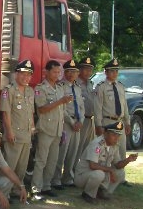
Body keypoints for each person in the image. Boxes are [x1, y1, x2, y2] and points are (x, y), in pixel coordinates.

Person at [30, 59, 73, 201]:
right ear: (46, 72)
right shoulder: (40, 88)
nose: (57, 74)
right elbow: (41, 109)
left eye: (59, 72)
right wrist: (60, 101)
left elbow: (62, 111)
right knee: (41, 160)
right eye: (54, 71)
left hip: (57, 130)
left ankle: (46, 186)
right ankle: (35, 188)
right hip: (45, 129)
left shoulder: (60, 88)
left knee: (53, 160)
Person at [74, 122, 139, 203]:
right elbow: (92, 165)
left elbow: (118, 165)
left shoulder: (114, 145)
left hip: (96, 174)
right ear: (105, 134)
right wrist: (110, 170)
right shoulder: (97, 144)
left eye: (118, 135)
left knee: (120, 173)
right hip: (82, 176)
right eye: (114, 135)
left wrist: (128, 160)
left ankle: (102, 192)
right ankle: (88, 194)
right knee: (99, 174)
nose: (116, 138)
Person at [0, 59, 36, 196]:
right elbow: (6, 112)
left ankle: (17, 190)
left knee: (22, 166)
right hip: (14, 134)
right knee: (10, 165)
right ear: (16, 74)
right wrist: (9, 131)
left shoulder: (30, 91)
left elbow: (31, 112)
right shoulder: (9, 90)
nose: (25, 77)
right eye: (22, 74)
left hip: (26, 135)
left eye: (28, 75)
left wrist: (32, 128)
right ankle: (5, 192)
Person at [94, 58, 131, 184]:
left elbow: (124, 105)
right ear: (106, 72)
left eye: (116, 71)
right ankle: (105, 177)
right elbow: (98, 107)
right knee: (107, 152)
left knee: (121, 151)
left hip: (120, 122)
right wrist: (98, 125)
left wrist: (128, 122)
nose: (114, 73)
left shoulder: (120, 86)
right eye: (111, 71)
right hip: (108, 122)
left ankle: (121, 177)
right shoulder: (101, 87)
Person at [51, 59, 84, 189]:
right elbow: (62, 108)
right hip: (66, 123)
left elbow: (81, 106)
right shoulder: (60, 87)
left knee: (73, 152)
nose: (71, 74)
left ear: (77, 73)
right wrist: (71, 122)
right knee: (62, 152)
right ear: (64, 73)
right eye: (68, 71)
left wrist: (80, 121)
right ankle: (56, 180)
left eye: (74, 72)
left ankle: (68, 178)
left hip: (78, 123)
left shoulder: (78, 88)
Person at [75, 57, 96, 161]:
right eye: (86, 69)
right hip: (80, 120)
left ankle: (83, 172)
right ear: (80, 70)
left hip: (91, 120)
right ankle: (74, 172)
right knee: (77, 148)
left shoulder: (90, 84)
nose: (89, 72)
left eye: (90, 70)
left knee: (89, 148)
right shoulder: (75, 84)